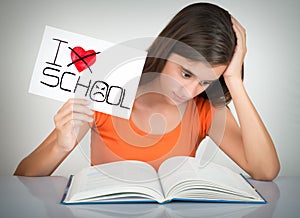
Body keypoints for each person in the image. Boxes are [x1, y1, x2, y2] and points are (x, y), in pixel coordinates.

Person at [14, 2, 280, 180]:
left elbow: (265, 171)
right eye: (185, 73)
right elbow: (23, 177)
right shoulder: (109, 89)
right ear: (166, 50)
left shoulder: (206, 108)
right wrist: (61, 147)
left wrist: (234, 80)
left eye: (205, 82)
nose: (189, 90)